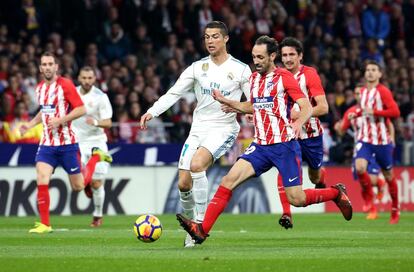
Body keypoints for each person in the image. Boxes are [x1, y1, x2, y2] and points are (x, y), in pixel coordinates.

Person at [176, 35, 353, 245]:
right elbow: (253, 105)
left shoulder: (284, 77)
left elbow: (305, 106)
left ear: (272, 56)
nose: (256, 61)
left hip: (284, 146)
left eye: (260, 57)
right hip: (260, 146)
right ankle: (201, 230)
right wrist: (229, 102)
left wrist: (297, 124)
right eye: (253, 57)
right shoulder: (253, 79)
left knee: (296, 199)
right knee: (227, 181)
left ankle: (335, 193)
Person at [140, 21, 251, 247]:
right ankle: (190, 224)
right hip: (199, 129)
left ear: (226, 39)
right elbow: (174, 93)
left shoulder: (241, 69)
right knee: (183, 183)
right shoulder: (197, 68)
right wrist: (153, 111)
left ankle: (199, 226)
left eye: (215, 36)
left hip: (224, 128)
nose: (210, 41)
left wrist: (243, 110)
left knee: (197, 164)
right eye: (207, 37)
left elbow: (252, 102)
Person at [20, 52, 112, 234]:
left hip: (68, 143)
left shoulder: (65, 85)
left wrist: (62, 120)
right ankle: (45, 224)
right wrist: (29, 125)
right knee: (41, 177)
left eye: (50, 64)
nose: (47, 67)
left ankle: (95, 158)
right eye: (43, 64)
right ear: (40, 68)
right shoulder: (39, 88)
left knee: (78, 187)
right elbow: (44, 112)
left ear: (56, 67)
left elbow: (81, 109)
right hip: (47, 144)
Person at [277, 37, 329, 229]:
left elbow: (323, 107)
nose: (288, 59)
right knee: (284, 169)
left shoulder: (310, 74)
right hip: (288, 136)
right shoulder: (276, 75)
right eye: (284, 55)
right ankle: (286, 214)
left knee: (314, 176)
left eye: (292, 54)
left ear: (300, 56)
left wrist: (301, 114)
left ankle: (321, 177)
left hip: (312, 135)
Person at [351, 60, 400, 224]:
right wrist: (356, 114)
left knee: (389, 176)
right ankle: (369, 201)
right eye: (368, 70)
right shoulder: (363, 91)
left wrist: (375, 111)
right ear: (365, 74)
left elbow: (395, 111)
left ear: (379, 74)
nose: (370, 72)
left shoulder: (383, 91)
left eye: (374, 70)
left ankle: (395, 209)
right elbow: (364, 110)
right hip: (365, 139)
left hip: (382, 141)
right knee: (360, 167)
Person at [334, 85, 391, 220]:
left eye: (362, 93)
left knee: (368, 180)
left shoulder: (373, 109)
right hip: (359, 149)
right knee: (363, 181)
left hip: (374, 146)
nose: (360, 95)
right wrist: (338, 128)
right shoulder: (351, 111)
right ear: (355, 96)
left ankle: (372, 207)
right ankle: (378, 187)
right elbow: (342, 130)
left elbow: (389, 123)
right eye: (357, 93)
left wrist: (391, 138)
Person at [72, 66, 113, 227]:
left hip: (97, 142)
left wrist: (95, 122)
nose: (87, 81)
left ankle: (97, 215)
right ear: (79, 78)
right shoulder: (72, 93)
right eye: (84, 78)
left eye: (90, 78)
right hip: (77, 142)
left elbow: (108, 122)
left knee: (97, 183)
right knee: (79, 182)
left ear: (94, 79)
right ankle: (86, 184)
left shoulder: (101, 97)